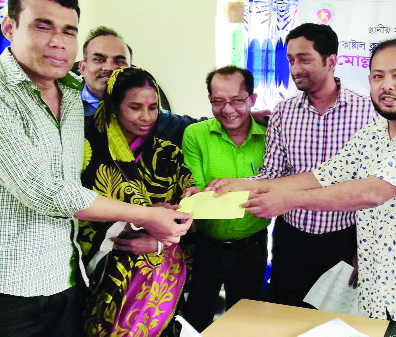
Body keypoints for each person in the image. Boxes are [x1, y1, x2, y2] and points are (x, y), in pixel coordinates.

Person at [208, 39, 396, 334]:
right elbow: (321, 175)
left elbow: (374, 192)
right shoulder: (374, 132)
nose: (387, 85)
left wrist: (288, 200)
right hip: (384, 296)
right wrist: (240, 186)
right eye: (378, 76)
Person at [0, 1, 191, 336]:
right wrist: (146, 215)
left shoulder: (70, 94)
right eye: (43, 26)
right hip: (14, 285)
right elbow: (44, 191)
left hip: (71, 277)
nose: (58, 40)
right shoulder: (9, 96)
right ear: (9, 28)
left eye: (68, 30)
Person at [247, 23, 377, 308]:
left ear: (331, 61)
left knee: (335, 321)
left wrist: (364, 248)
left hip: (345, 239)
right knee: (285, 316)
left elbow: (374, 190)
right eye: (291, 60)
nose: (294, 69)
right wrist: (228, 189)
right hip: (291, 240)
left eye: (304, 59)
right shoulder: (283, 112)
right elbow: (272, 175)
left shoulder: (368, 113)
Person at [78, 66, 197, 336]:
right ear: (113, 106)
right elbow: (74, 211)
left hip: (161, 273)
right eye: (135, 107)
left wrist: (159, 242)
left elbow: (187, 216)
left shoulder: (168, 156)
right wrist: (133, 225)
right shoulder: (86, 151)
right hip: (105, 273)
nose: (146, 117)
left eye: (153, 107)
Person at [180, 66, 270, 332]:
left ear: (252, 100)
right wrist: (193, 194)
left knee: (245, 322)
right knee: (196, 317)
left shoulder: (271, 134)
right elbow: (195, 186)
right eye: (218, 101)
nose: (228, 110)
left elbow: (277, 185)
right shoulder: (195, 135)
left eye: (237, 101)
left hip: (251, 246)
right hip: (205, 246)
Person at [78, 26, 271, 147]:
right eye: (99, 59)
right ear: (83, 67)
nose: (110, 68)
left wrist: (244, 116)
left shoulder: (156, 117)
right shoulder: (66, 111)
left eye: (119, 61)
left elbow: (195, 126)